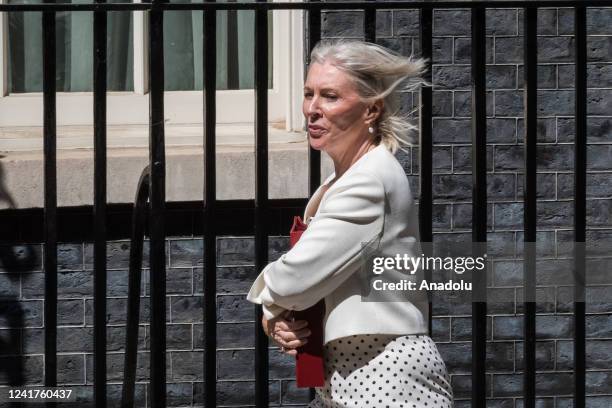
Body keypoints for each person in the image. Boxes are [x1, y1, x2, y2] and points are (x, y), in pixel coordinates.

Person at [246, 39, 454, 407]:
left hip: (386, 378)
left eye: (330, 96)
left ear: (371, 109)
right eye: (309, 93)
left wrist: (269, 302)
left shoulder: (369, 181)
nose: (312, 109)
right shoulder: (342, 180)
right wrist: (275, 320)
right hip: (348, 378)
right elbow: (313, 282)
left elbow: (296, 276)